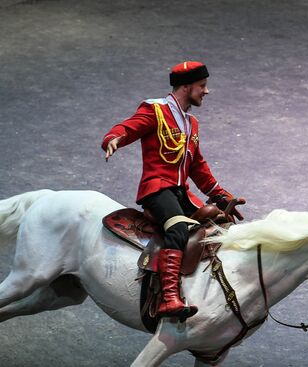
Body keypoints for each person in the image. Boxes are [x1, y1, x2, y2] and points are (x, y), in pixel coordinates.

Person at [102, 61, 245, 317]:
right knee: (178, 228)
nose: (206, 91)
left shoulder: (191, 123)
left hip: (180, 192)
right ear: (186, 86)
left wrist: (220, 194)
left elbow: (197, 166)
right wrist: (114, 139)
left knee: (220, 222)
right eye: (202, 86)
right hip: (157, 190)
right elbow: (128, 128)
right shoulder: (155, 110)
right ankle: (168, 298)